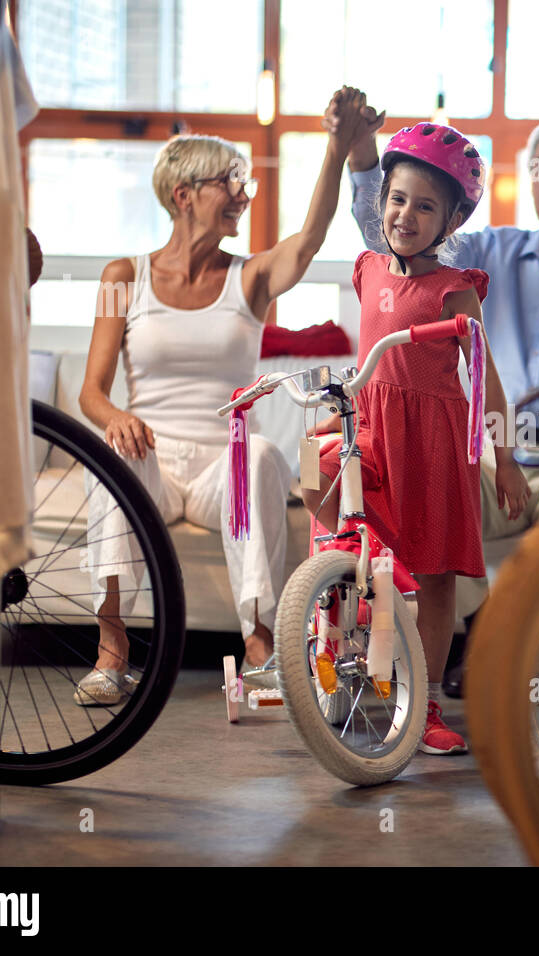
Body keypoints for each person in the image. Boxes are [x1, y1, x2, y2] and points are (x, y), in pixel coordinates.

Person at [74, 88, 379, 706]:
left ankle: (260, 650)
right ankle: (111, 651)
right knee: (112, 452)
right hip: (149, 460)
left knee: (262, 451)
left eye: (247, 185)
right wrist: (117, 418)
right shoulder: (121, 278)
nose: (244, 195)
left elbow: (310, 239)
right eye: (231, 183)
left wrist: (337, 146)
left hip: (224, 467)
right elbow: (90, 392)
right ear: (183, 196)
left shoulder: (252, 277)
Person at [331, 110, 539, 543]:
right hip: (486, 460)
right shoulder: (486, 251)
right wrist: (362, 155)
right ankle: (474, 614)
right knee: (405, 500)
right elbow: (396, 236)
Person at [303, 122, 527, 754]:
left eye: (426, 206)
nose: (407, 215)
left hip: (432, 444)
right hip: (370, 426)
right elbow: (369, 361)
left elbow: (485, 378)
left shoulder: (454, 289)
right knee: (316, 474)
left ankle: (424, 704)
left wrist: (505, 458)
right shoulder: (368, 268)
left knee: (436, 578)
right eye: (398, 199)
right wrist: (340, 406)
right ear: (383, 203)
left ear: (451, 219)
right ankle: (343, 614)